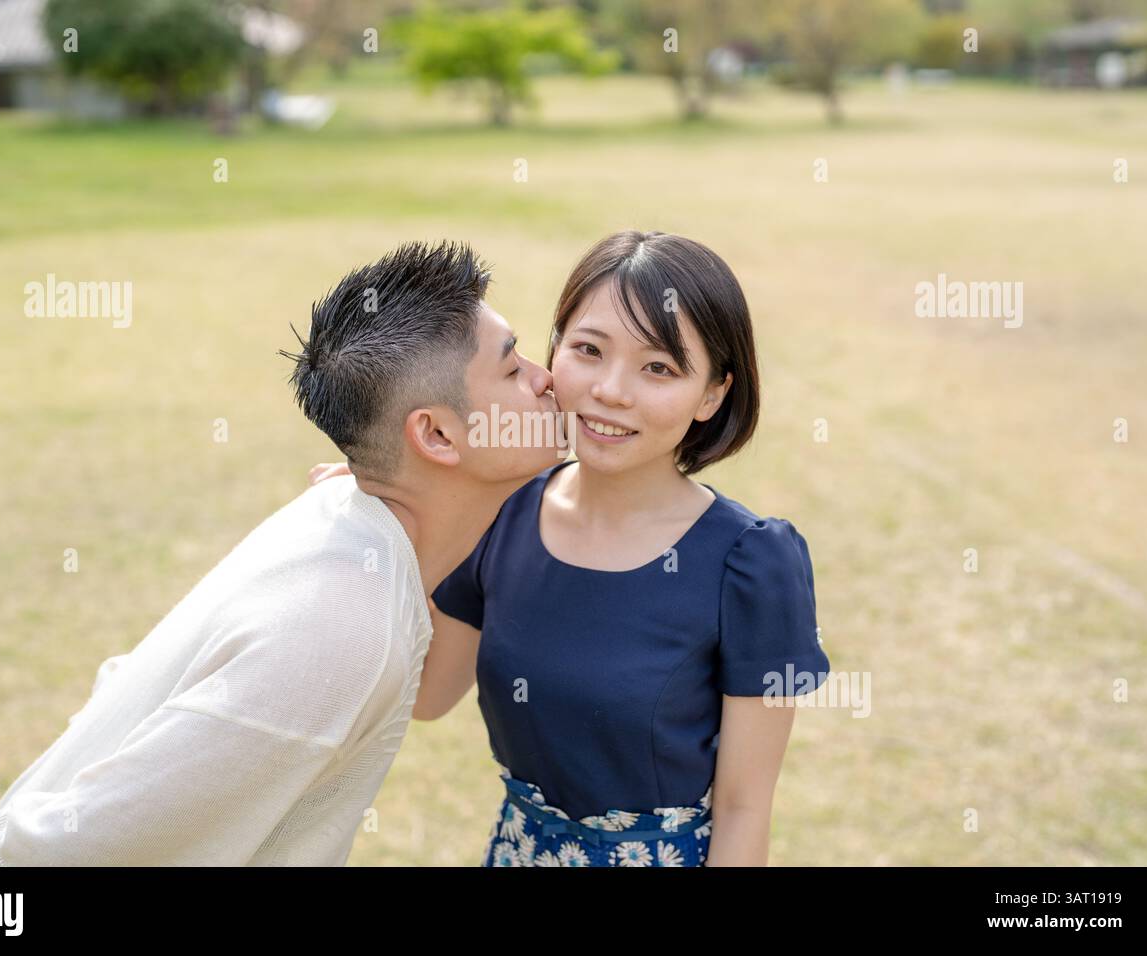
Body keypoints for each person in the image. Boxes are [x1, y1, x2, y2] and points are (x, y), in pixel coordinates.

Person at [0, 239, 565, 867]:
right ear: (436, 434)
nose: (547, 379)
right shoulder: (343, 625)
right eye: (513, 368)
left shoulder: (343, 518)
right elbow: (107, 833)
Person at [317, 230, 830, 867]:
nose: (611, 390)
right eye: (588, 349)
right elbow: (427, 697)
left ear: (713, 394)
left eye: (658, 368)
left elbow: (744, 809)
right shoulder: (503, 511)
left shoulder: (752, 564)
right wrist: (396, 506)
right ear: (554, 349)